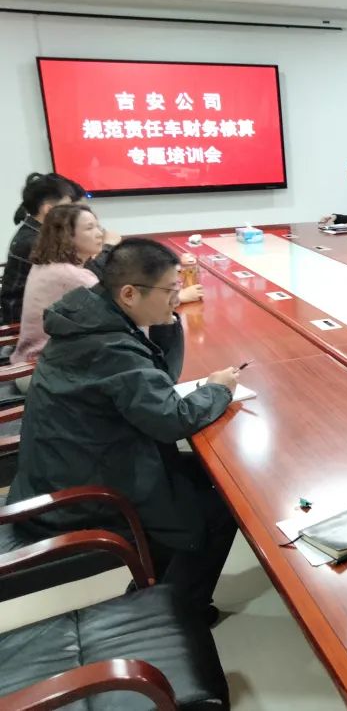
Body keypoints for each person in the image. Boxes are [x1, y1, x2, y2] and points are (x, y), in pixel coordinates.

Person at [7, 239, 241, 623]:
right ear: (130, 294)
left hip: (71, 467)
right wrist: (219, 390)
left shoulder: (92, 319)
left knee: (208, 479)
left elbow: (161, 382)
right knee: (223, 504)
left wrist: (167, 322)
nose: (177, 298)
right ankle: (177, 614)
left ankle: (158, 585)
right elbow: (172, 420)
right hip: (81, 496)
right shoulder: (109, 347)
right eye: (170, 290)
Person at [11, 204, 103, 386]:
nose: (100, 233)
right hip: (45, 372)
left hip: (29, 362)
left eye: (98, 226)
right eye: (89, 228)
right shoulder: (72, 276)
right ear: (67, 235)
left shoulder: (46, 265)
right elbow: (119, 317)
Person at [1, 173, 73, 324]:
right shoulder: (36, 241)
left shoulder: (35, 232)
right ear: (48, 209)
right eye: (68, 207)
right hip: (22, 322)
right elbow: (72, 279)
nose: (73, 213)